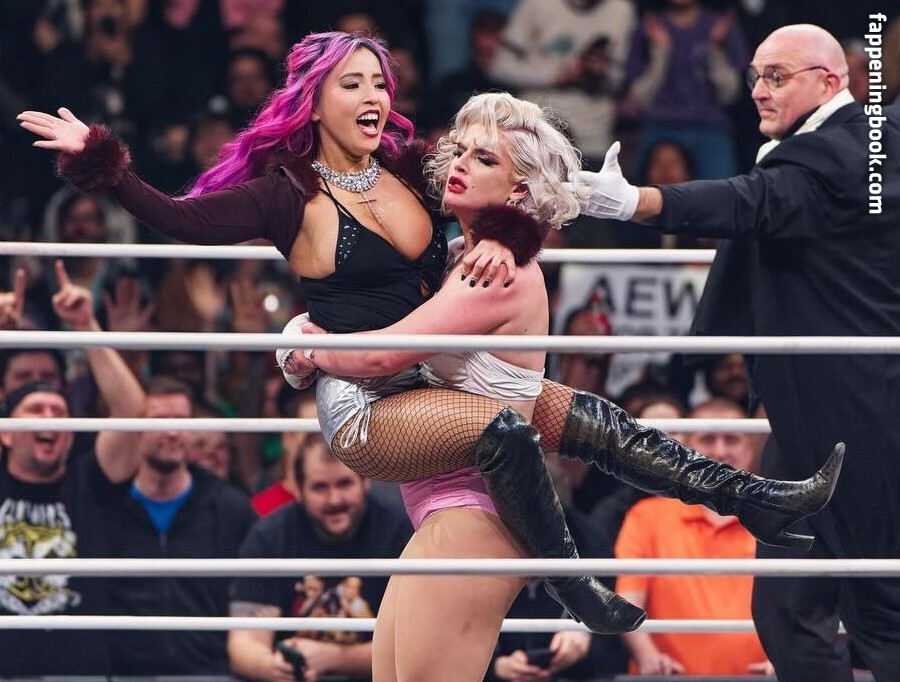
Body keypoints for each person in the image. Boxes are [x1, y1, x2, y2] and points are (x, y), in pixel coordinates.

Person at [20, 31, 842, 637]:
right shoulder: (285, 194)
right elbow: (179, 219)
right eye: (353, 83)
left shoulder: (411, 168)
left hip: (436, 372)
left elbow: (504, 194)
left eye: (380, 81)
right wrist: (101, 158)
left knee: (594, 420)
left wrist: (507, 239)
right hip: (366, 399)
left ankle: (755, 501)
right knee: (508, 430)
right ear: (315, 99)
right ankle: (571, 585)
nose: (375, 95)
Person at [566, 22, 900, 682]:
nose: (758, 91)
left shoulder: (832, 155)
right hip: (811, 412)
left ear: (830, 81)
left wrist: (635, 202)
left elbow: (748, 201)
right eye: (754, 76)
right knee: (787, 609)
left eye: (777, 76)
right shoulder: (866, 139)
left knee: (876, 610)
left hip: (851, 409)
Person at [0, 261, 146, 676]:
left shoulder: (91, 480)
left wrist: (86, 325)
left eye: (59, 411)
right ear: (6, 433)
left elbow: (132, 413)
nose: (50, 418)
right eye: (36, 410)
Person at [101, 376, 257, 675]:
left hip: (209, 671)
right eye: (160, 421)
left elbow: (253, 593)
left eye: (181, 421)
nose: (173, 432)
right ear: (136, 427)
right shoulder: (107, 505)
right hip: (124, 672)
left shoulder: (229, 507)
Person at [228, 434, 412, 682]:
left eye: (345, 484)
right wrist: (273, 667)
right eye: (320, 487)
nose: (334, 500)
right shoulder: (270, 536)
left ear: (365, 481)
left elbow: (416, 647)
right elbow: (244, 644)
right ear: (298, 490)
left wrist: (335, 658)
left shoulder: (400, 531)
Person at [615, 398, 772, 676]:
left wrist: (786, 659)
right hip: (670, 679)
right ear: (686, 449)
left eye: (732, 440)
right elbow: (628, 601)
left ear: (751, 447)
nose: (720, 451)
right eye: (708, 439)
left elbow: (806, 606)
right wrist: (648, 656)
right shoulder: (646, 516)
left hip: (763, 678)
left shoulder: (774, 519)